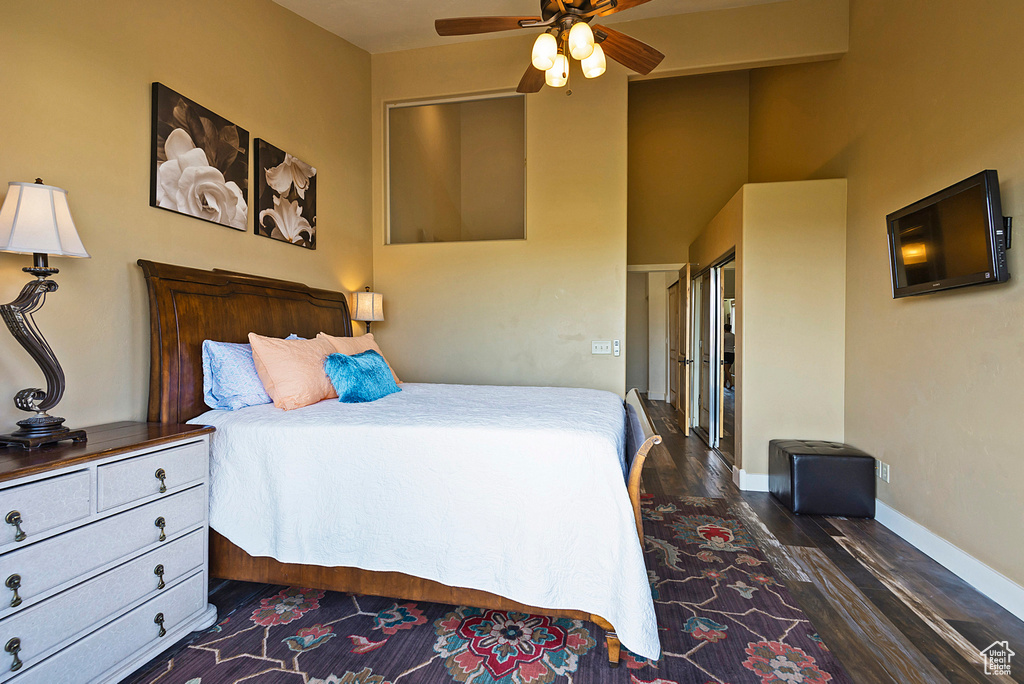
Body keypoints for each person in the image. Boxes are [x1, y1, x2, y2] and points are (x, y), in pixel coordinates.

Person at [723, 323, 735, 390]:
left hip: (726, 353)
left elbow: (723, 344)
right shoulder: (733, 336)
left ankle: (731, 383)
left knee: (726, 369)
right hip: (732, 354)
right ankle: (724, 383)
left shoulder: (724, 336)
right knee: (727, 369)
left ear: (724, 329)